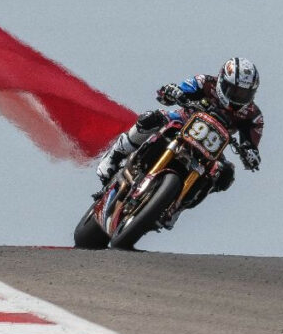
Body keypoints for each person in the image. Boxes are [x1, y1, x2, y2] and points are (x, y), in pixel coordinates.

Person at [96, 57, 264, 221]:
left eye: (244, 93)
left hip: (211, 148)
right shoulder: (204, 82)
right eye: (235, 90)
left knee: (225, 173)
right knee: (151, 118)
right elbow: (173, 92)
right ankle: (114, 156)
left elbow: (251, 145)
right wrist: (171, 92)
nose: (238, 96)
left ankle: (177, 207)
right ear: (222, 81)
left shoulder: (253, 115)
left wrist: (251, 155)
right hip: (182, 121)